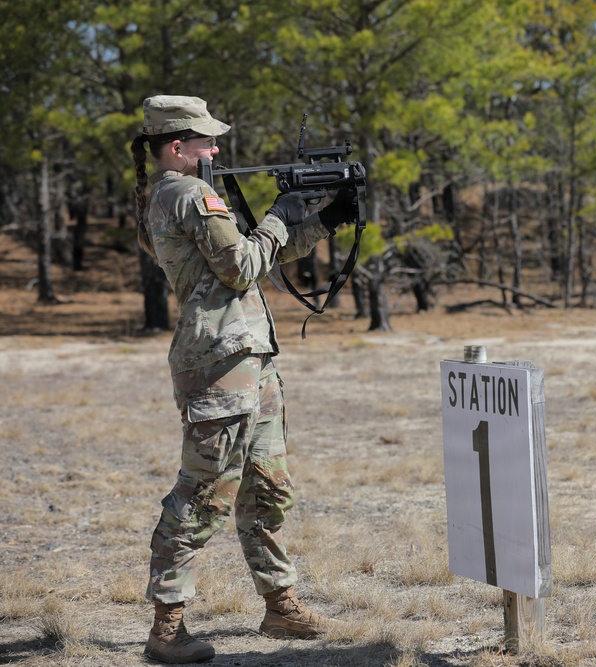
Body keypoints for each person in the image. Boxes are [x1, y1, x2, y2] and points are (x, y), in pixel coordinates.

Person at [130, 95, 355, 664]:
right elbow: (242, 266)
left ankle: (280, 606)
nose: (217, 148)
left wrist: (321, 219)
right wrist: (282, 212)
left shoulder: (178, 194)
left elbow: (259, 257)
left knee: (267, 485)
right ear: (176, 147)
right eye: (207, 141)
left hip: (248, 361)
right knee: (203, 493)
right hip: (220, 366)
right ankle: (167, 627)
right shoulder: (187, 194)